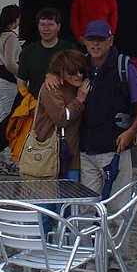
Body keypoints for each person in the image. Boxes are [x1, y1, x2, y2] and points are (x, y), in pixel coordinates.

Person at [79, 20, 137, 206]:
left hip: (115, 148)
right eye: (91, 39)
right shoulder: (79, 65)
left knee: (118, 208)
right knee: (87, 210)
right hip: (86, 149)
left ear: (110, 41)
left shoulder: (124, 66)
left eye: (101, 39)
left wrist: (131, 131)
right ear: (84, 41)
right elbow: (56, 70)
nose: (95, 43)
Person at [35, 50, 90, 179]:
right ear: (61, 72)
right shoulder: (52, 88)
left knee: (73, 190)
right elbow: (62, 118)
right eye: (72, 72)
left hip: (74, 157)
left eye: (81, 71)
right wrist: (79, 100)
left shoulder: (81, 86)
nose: (78, 75)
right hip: (52, 156)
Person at [17, 7, 77, 98]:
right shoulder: (28, 52)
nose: (46, 29)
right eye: (42, 25)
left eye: (50, 24)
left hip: (64, 101)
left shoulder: (70, 49)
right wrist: (28, 101)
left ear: (58, 27)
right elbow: (21, 82)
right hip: (36, 103)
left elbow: (78, 76)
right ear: (38, 26)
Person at [0, 4, 22, 175]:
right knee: (9, 121)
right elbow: (10, 63)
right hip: (9, 81)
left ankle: (2, 158)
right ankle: (7, 159)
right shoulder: (10, 36)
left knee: (4, 118)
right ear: (15, 18)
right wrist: (22, 76)